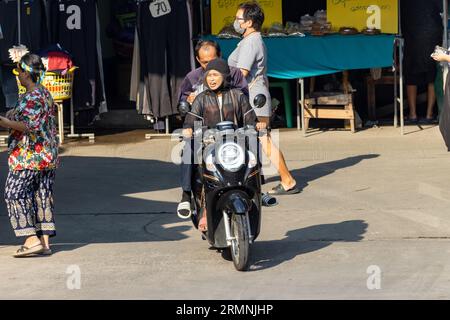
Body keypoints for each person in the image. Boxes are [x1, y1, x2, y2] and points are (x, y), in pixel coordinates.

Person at [228, 1, 299, 195]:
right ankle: (255, 176)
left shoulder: (252, 42)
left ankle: (288, 180)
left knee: (263, 139)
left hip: (254, 97)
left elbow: (241, 73)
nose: (236, 22)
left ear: (249, 22)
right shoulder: (249, 40)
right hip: (253, 95)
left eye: (238, 19)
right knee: (254, 139)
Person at [181, 58, 259, 230]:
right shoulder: (201, 98)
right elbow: (191, 119)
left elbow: (250, 119)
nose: (212, 79)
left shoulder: (238, 95)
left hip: (235, 142)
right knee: (189, 151)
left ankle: (258, 185)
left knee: (255, 142)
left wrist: (256, 126)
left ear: (224, 76)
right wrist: (188, 129)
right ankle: (187, 195)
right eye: (209, 75)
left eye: (215, 75)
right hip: (208, 142)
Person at [0, 53, 59, 257]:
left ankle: (31, 240)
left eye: (19, 72)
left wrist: (6, 123)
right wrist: (12, 114)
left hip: (29, 156)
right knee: (41, 195)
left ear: (26, 73)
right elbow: (34, 117)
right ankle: (44, 243)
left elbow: (29, 126)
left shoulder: (33, 97)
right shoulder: (42, 93)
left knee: (14, 192)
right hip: (46, 155)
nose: (17, 76)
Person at [401, 0, 443, 124]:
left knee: (411, 73)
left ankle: (413, 114)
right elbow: (441, 9)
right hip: (432, 31)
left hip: (412, 31)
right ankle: (429, 114)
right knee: (432, 73)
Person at [178, 40, 248, 105]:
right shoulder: (192, 77)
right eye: (205, 62)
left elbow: (244, 96)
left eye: (213, 61)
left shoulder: (234, 73)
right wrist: (188, 99)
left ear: (220, 55)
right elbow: (182, 101)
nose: (210, 66)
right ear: (198, 59)